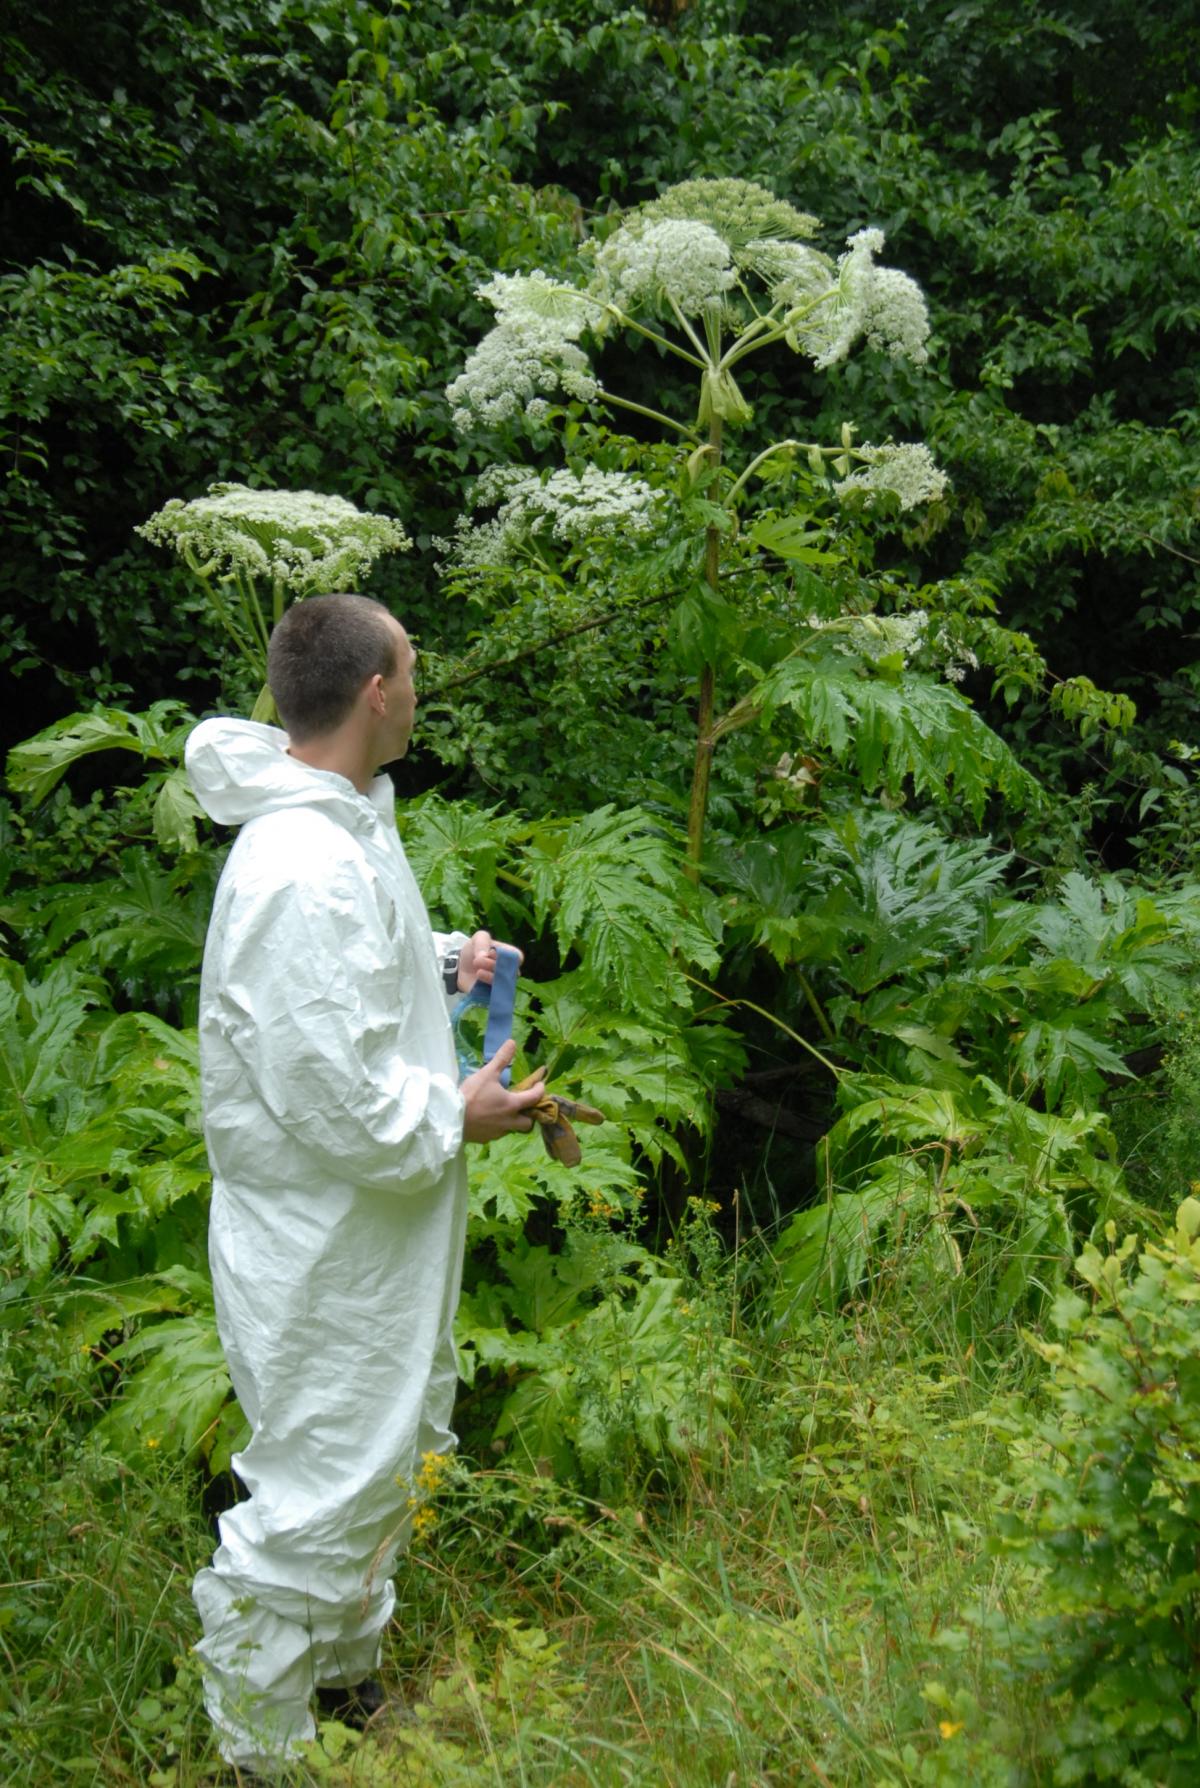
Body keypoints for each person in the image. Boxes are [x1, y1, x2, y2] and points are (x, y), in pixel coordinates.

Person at [184, 593, 545, 1773]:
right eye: (412, 666)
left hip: (368, 1235)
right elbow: (327, 1090)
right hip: (323, 1242)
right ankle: (258, 1750)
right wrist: (461, 1111)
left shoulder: (342, 820)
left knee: (377, 1453)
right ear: (377, 691)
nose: (419, 684)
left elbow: (350, 983)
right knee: (323, 1468)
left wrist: (447, 961)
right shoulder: (297, 865)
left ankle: (340, 1684)